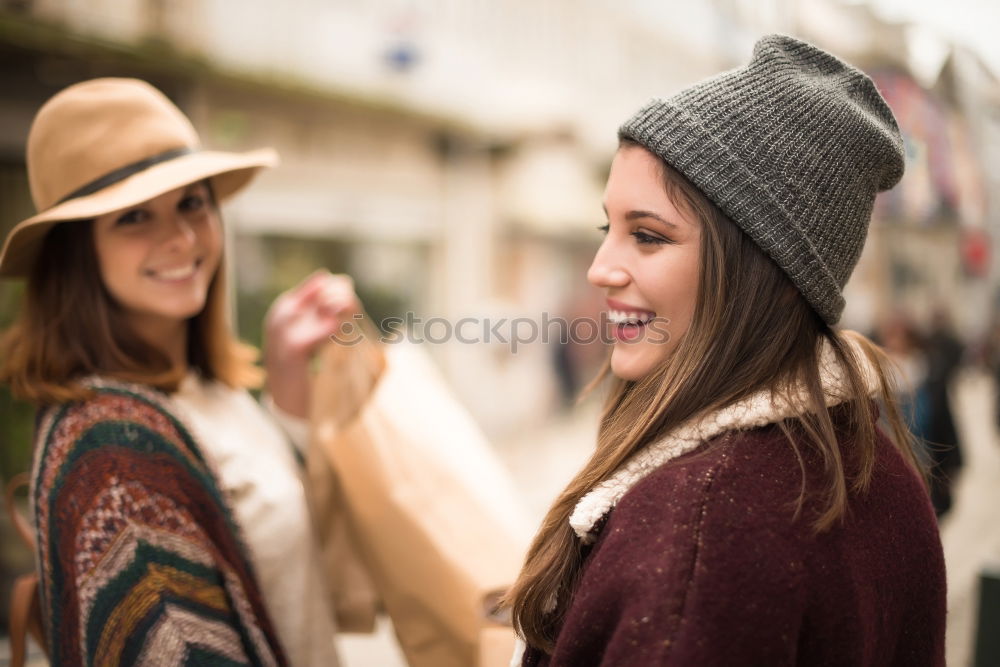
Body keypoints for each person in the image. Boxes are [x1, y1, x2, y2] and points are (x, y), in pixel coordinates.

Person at [505, 35, 946, 666]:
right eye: (610, 228)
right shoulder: (875, 466)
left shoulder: (699, 534)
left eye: (649, 236)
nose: (602, 268)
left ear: (774, 273)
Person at [0, 78, 355, 665]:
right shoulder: (112, 453)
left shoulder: (205, 391)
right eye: (135, 216)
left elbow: (278, 537)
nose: (182, 237)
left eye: (193, 202)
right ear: (76, 252)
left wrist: (288, 388)